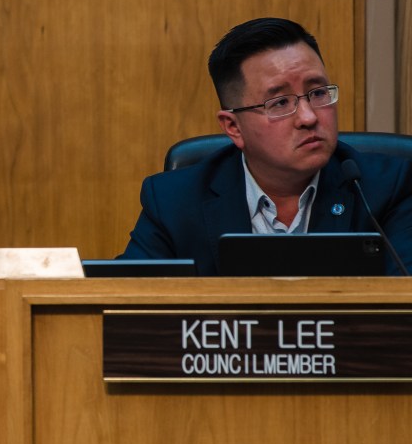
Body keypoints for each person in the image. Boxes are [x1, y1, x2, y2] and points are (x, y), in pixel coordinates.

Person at [120, 17, 412, 276]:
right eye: (280, 102)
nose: (309, 117)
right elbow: (127, 306)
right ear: (234, 127)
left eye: (318, 92)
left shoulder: (388, 188)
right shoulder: (174, 202)